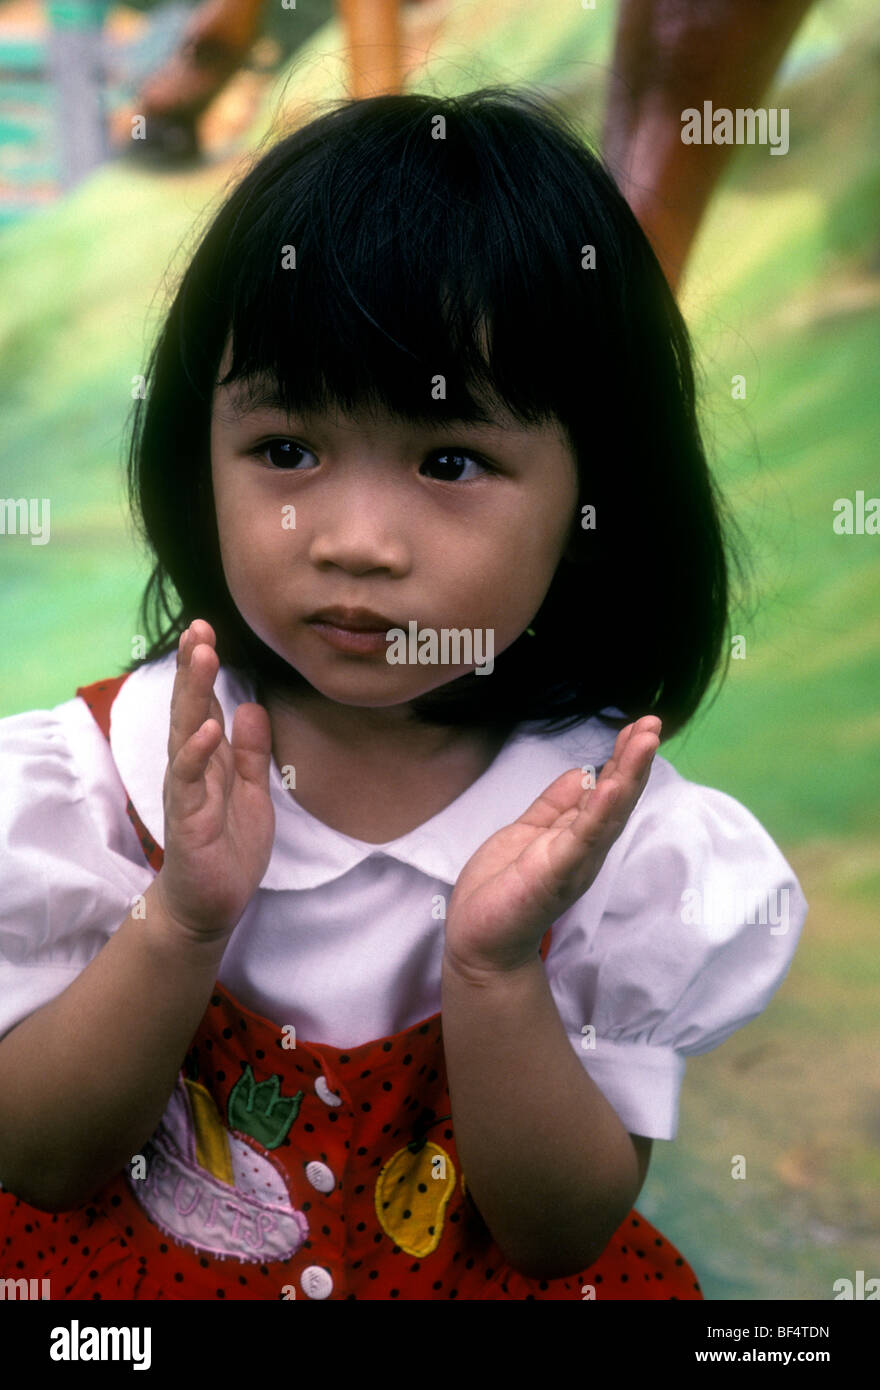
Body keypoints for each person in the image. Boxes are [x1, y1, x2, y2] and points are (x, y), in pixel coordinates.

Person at [0, 88, 806, 1300]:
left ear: (593, 500)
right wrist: (180, 921)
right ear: (195, 452)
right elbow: (42, 1160)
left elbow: (557, 1232)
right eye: (286, 450)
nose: (355, 539)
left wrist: (495, 970)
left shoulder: (610, 842)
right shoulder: (105, 781)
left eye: (449, 461)